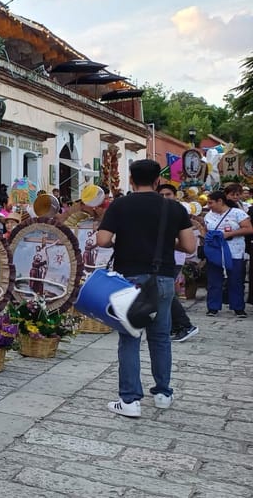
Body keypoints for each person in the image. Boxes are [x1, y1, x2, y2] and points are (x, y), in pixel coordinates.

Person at [97, 159, 195, 418]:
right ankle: (163, 393)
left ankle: (129, 400)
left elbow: (103, 240)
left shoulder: (120, 204)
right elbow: (189, 246)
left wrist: (124, 239)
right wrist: (163, 243)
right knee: (161, 337)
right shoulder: (173, 207)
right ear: (157, 181)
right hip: (161, 278)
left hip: (129, 280)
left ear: (130, 180)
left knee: (129, 338)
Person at [158, 184, 198, 341]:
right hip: (162, 257)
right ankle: (175, 325)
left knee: (166, 294)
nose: (165, 198)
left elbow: (187, 241)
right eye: (161, 195)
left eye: (168, 194)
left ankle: (184, 324)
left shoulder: (179, 210)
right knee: (165, 293)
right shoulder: (158, 210)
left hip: (175, 257)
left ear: (175, 195)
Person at [202, 190, 251, 317]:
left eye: (211, 202)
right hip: (215, 251)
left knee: (236, 280)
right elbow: (206, 231)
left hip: (234, 251)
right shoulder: (209, 216)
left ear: (220, 201)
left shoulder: (237, 213)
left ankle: (238, 307)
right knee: (214, 280)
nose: (209, 205)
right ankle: (213, 307)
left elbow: (249, 228)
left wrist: (229, 234)